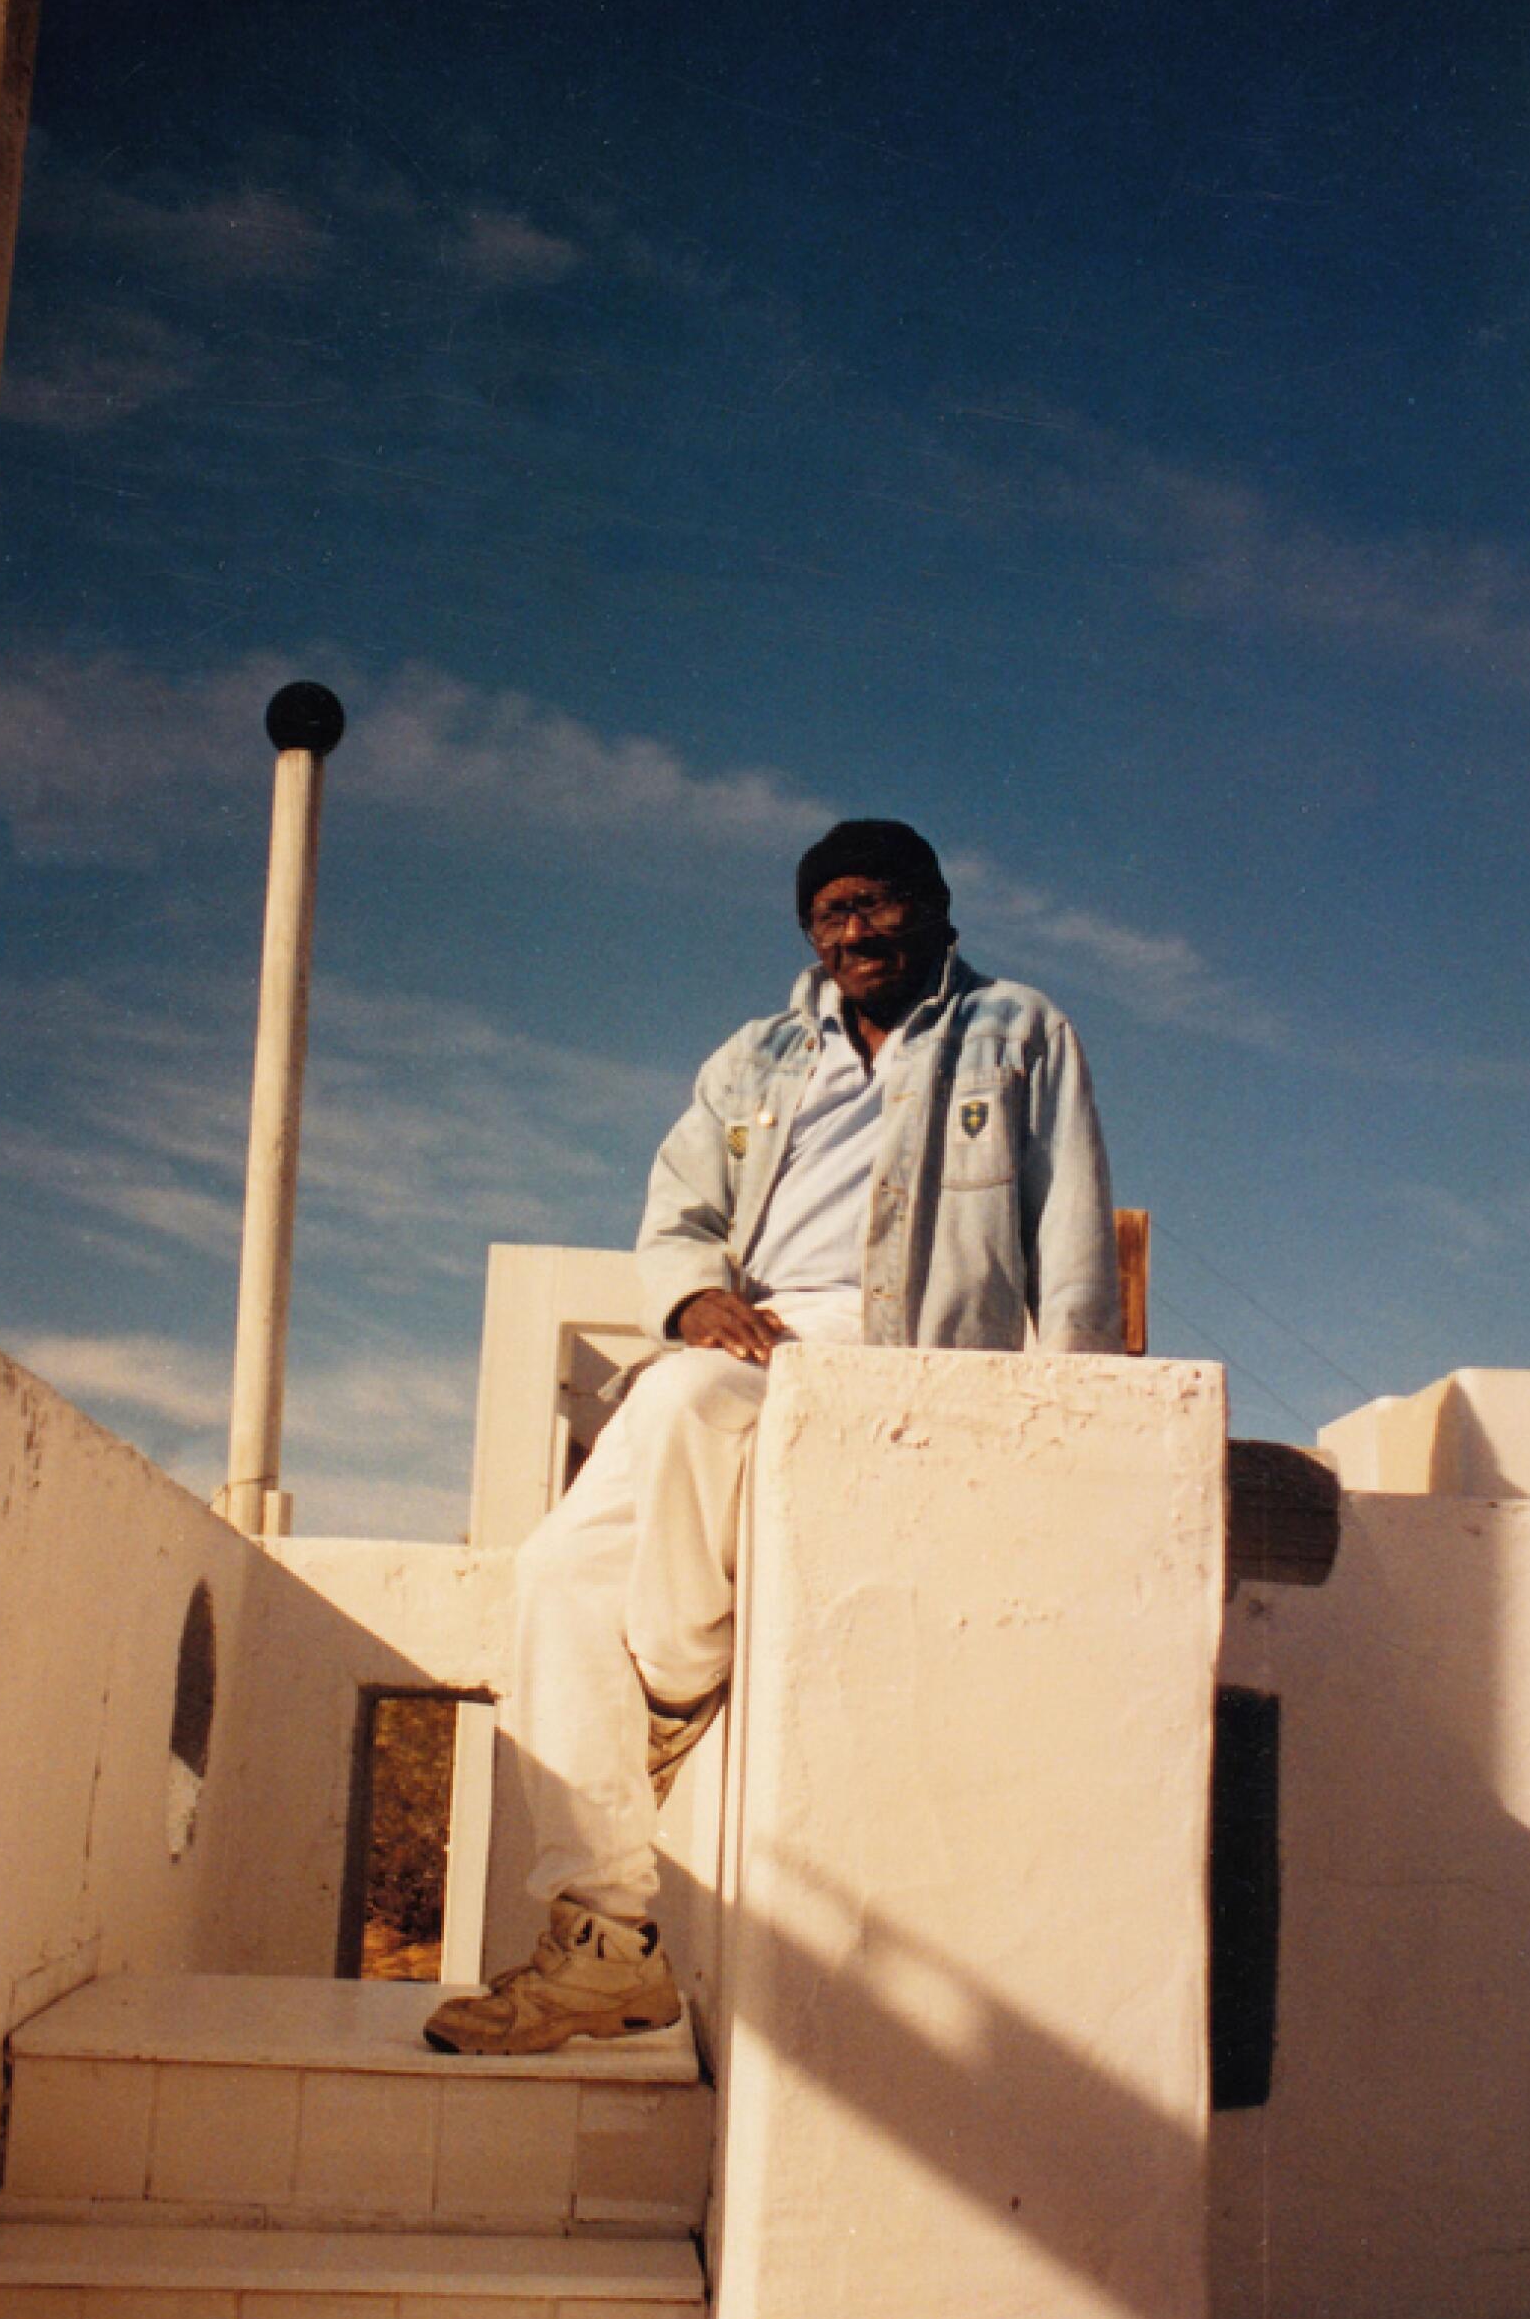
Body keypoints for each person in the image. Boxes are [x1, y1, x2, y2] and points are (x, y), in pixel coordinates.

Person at [425, 818, 1123, 2054]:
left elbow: (1067, 1229)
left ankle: (676, 1677)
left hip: (894, 1358)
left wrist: (1065, 1413)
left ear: (939, 909)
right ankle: (604, 1943)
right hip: (741, 1343)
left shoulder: (1014, 1031)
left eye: (878, 904)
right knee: (554, 1578)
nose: (855, 931)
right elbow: (678, 1210)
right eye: (830, 913)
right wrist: (692, 1295)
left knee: (687, 1406)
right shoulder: (753, 1059)